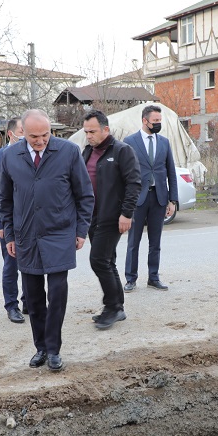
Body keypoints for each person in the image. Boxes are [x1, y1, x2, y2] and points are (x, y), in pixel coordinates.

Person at [0, 109, 95, 372]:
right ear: (23, 133)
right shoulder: (10, 156)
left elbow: (85, 195)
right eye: (34, 137)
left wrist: (81, 230)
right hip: (26, 237)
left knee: (57, 294)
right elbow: (5, 200)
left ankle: (53, 349)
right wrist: (10, 234)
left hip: (60, 234)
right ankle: (40, 347)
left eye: (45, 135)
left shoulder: (68, 152)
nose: (41, 141)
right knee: (32, 297)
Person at [81, 110, 141, 330]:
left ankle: (112, 307)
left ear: (106, 129)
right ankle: (118, 308)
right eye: (86, 132)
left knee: (98, 260)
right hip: (92, 216)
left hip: (112, 216)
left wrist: (127, 214)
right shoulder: (87, 151)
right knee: (107, 261)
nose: (89, 136)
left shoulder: (122, 151)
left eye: (92, 131)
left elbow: (134, 183)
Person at [124, 104, 178, 291]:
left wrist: (172, 200)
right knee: (133, 242)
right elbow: (123, 173)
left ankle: (153, 278)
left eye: (160, 121)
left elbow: (171, 172)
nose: (158, 124)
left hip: (159, 198)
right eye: (155, 121)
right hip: (137, 199)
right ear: (144, 120)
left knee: (155, 242)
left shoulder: (164, 142)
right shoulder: (130, 142)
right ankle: (131, 279)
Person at [0, 116, 26, 323]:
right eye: (21, 131)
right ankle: (12, 306)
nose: (26, 136)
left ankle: (28, 301)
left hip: (28, 220)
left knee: (31, 264)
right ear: (11, 134)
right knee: (11, 264)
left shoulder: (31, 154)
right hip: (8, 222)